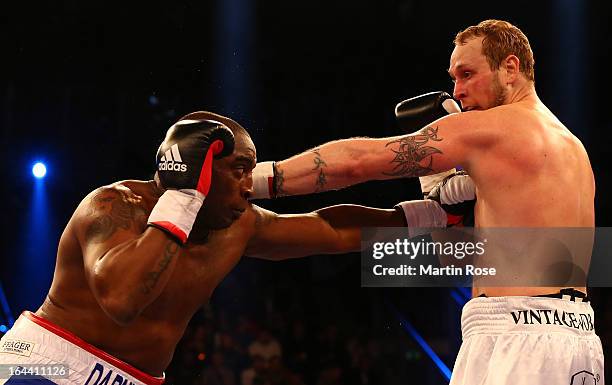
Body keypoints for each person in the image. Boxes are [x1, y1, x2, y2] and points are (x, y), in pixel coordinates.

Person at [250, 19, 603, 384]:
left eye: (467, 74)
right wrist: (450, 204)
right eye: (454, 77)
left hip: (515, 338)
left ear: (510, 68)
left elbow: (358, 162)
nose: (457, 91)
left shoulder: (494, 127)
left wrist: (257, 179)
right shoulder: (573, 149)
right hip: (578, 338)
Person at [0, 111, 452, 385]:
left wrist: (434, 218)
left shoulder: (240, 226)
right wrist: (182, 196)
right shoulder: (113, 206)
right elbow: (121, 299)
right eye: (238, 170)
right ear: (196, 169)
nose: (247, 187)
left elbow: (329, 230)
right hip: (48, 365)